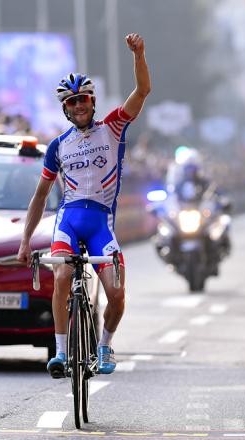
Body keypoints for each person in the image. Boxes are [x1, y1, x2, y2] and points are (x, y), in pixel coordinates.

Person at [17, 33, 151, 378]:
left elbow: (142, 92)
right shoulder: (58, 146)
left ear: (93, 102)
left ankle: (104, 344)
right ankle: (60, 352)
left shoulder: (113, 128)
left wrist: (139, 55)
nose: (79, 106)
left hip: (100, 225)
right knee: (62, 273)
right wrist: (24, 241)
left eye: (84, 100)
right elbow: (41, 196)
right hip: (69, 221)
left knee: (117, 294)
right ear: (65, 108)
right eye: (72, 102)